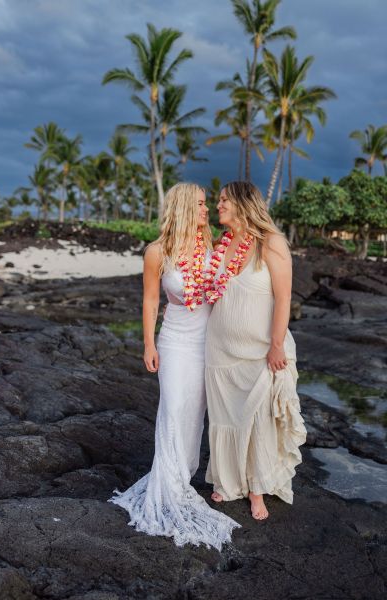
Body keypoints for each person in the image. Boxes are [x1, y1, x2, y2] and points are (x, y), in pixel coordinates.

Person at [109, 182, 240, 549]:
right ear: (183, 206)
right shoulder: (157, 252)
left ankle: (182, 479)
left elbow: (225, 295)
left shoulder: (212, 248)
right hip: (175, 341)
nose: (207, 209)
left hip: (208, 344)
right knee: (174, 408)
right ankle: (166, 488)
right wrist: (148, 343)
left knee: (195, 416)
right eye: (200, 204)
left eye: (206, 204)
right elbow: (151, 301)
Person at [205, 181, 307, 520]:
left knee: (258, 418)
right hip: (219, 348)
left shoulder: (271, 243)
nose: (217, 205)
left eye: (223, 200)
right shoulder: (222, 243)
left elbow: (283, 297)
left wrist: (277, 344)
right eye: (218, 200)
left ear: (241, 203)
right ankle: (228, 480)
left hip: (261, 350)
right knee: (225, 417)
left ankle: (257, 489)